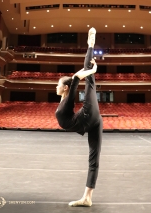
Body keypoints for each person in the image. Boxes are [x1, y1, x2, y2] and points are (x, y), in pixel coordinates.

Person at [55, 27, 103, 207]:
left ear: (65, 88)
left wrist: (91, 70)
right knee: (94, 159)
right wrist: (89, 72)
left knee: (89, 76)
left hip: (87, 116)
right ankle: (87, 197)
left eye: (58, 84)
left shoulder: (67, 101)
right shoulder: (63, 101)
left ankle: (90, 44)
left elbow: (76, 77)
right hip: (92, 123)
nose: (56, 86)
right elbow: (75, 78)